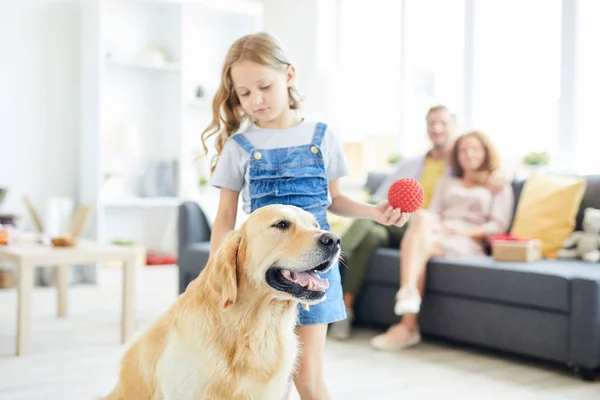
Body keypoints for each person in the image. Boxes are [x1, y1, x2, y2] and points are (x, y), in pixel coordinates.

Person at [201, 32, 410, 400]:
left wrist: (374, 212)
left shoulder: (322, 135)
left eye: (264, 86)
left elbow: (336, 200)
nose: (256, 100)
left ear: (290, 76)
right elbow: (225, 221)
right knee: (267, 381)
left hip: (314, 277)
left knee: (307, 380)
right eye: (244, 93)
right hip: (262, 281)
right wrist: (218, 275)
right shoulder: (239, 148)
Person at [370, 130, 514, 351]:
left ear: (486, 153)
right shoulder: (446, 182)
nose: (469, 154)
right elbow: (433, 213)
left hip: (468, 240)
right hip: (438, 233)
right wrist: (436, 225)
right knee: (421, 219)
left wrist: (461, 230)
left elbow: (497, 226)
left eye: (475, 149)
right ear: (456, 156)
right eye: (464, 150)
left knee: (417, 242)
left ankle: (407, 321)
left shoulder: (497, 185)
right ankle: (408, 310)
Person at [328, 105, 456, 340]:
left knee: (371, 225)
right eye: (432, 123)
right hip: (393, 222)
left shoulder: (459, 168)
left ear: (453, 126)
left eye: (443, 123)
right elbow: (381, 198)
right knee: (370, 235)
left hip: (423, 228)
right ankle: (344, 311)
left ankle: (334, 257)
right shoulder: (410, 165)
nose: (436, 128)